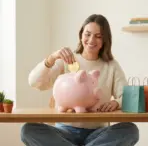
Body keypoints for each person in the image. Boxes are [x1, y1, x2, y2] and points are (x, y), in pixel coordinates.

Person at [21, 14, 139, 146]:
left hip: (98, 134)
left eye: (98, 36)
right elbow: (34, 82)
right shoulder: (67, 60)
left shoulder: (111, 65)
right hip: (64, 132)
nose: (91, 40)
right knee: (28, 130)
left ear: (105, 40)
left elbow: (127, 96)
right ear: (81, 35)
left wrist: (116, 103)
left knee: (131, 130)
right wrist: (52, 58)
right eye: (87, 34)